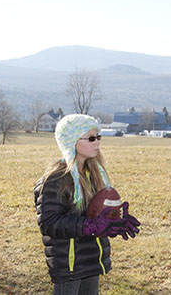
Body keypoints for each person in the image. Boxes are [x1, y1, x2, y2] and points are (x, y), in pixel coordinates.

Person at [33, 114, 141, 295]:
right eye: (91, 138)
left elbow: (95, 214)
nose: (97, 143)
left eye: (98, 137)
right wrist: (88, 226)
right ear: (71, 141)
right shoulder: (55, 180)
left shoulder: (93, 175)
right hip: (70, 264)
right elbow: (49, 223)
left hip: (91, 259)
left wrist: (113, 222)